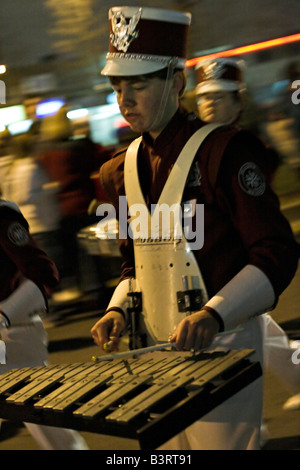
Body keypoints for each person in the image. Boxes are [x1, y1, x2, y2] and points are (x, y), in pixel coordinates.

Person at [90, 6, 299, 450]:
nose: (124, 98)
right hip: (153, 355)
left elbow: (275, 251)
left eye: (138, 83)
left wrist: (214, 313)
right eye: (117, 85)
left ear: (176, 81)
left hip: (224, 346)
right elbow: (135, 266)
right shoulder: (116, 171)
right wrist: (114, 309)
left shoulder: (226, 151)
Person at [195, 57, 300, 412]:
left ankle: (251, 426)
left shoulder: (242, 147)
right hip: (220, 270)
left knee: (242, 341)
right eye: (205, 97)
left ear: (239, 102)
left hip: (241, 264)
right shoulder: (192, 149)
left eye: (221, 97)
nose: (211, 103)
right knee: (264, 336)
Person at [0, 198, 89, 449]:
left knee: (54, 435)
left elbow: (44, 272)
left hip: (14, 337)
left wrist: (4, 315)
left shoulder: (2, 217)